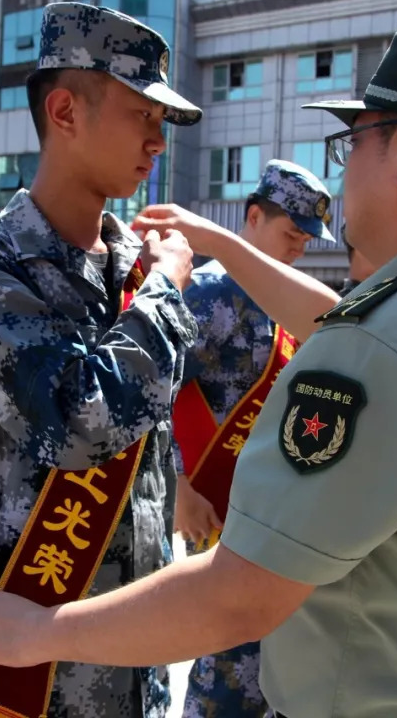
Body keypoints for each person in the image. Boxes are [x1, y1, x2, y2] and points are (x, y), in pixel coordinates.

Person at [0, 26, 397, 718]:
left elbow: (239, 595)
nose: (343, 170)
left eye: (350, 144)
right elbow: (344, 319)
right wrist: (213, 246)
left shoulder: (378, 350)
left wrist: (42, 631)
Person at [0, 3, 201, 716]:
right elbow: (80, 421)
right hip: (43, 671)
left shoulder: (131, 268)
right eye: (143, 115)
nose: (157, 143)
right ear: (65, 110)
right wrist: (169, 290)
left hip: (135, 647)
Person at [173, 160, 335, 718]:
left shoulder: (287, 301)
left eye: (307, 240)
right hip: (218, 506)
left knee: (273, 657)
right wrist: (177, 486)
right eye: (292, 234)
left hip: (275, 507)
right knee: (230, 662)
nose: (300, 249)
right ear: (252, 217)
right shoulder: (210, 295)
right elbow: (153, 390)